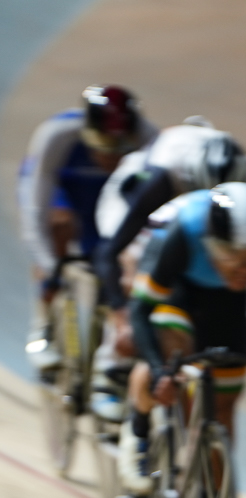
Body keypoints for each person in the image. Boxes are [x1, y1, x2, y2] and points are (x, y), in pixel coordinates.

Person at [119, 182, 246, 491]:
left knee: (222, 406)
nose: (242, 267)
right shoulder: (183, 234)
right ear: (210, 242)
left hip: (226, 299)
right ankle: (139, 431)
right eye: (230, 254)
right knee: (169, 354)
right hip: (178, 286)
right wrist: (158, 371)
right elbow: (141, 311)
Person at [89, 121, 246, 421]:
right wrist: (122, 319)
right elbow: (111, 253)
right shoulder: (162, 181)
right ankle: (109, 370)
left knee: (237, 258)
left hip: (208, 201)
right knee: (134, 270)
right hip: (139, 187)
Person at [17, 85, 155, 375]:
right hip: (65, 192)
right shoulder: (57, 135)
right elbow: (35, 210)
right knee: (58, 226)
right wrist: (50, 265)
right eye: (100, 146)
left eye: (118, 149)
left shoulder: (149, 139)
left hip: (111, 197)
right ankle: (44, 325)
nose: (108, 158)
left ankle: (112, 356)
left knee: (122, 260)